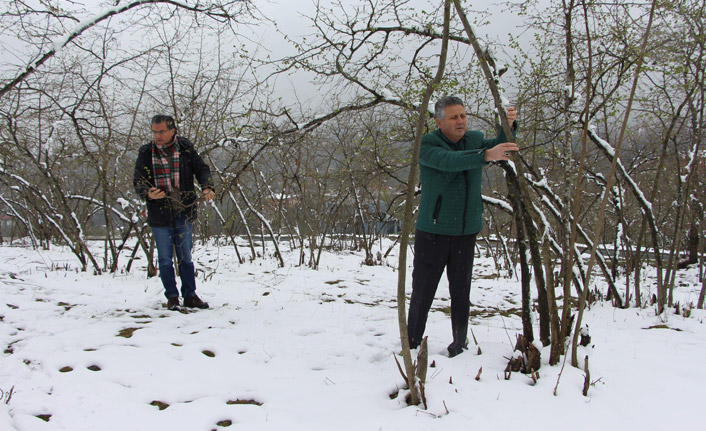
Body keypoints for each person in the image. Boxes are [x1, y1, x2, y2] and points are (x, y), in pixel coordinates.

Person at [407, 96, 519, 357]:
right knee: (423, 291)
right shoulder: (427, 144)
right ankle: (411, 343)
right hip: (433, 232)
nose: (460, 121)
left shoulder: (475, 140)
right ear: (439, 121)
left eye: (463, 116)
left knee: (461, 293)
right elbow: (450, 162)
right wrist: (485, 155)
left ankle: (459, 344)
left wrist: (508, 126)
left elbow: (500, 147)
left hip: (465, 232)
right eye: (454, 117)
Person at [133, 115, 216, 310]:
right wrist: (148, 193)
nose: (157, 136)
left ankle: (190, 295)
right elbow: (138, 180)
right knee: (164, 259)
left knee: (185, 257)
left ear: (172, 131)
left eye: (161, 131)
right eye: (154, 132)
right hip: (159, 213)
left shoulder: (185, 149)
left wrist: (207, 187)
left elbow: (201, 169)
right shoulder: (146, 152)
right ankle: (172, 297)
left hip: (184, 210)